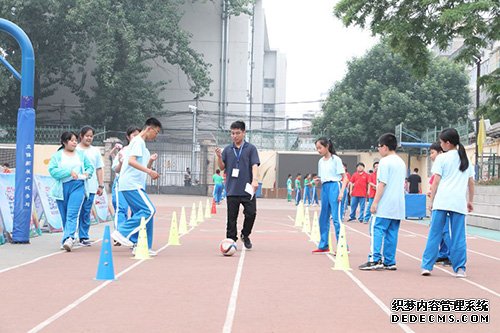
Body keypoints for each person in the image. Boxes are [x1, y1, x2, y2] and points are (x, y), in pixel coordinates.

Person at [421, 129, 474, 278]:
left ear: (448, 143)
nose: (440, 145)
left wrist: (431, 201)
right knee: (459, 236)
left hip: (442, 201)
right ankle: (460, 269)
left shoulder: (442, 159)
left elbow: (436, 181)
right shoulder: (466, 159)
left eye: (441, 142)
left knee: (435, 234)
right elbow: (471, 183)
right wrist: (470, 201)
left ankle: (426, 266)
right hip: (458, 202)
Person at [111, 118, 162, 255]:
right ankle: (122, 232)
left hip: (136, 184)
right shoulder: (138, 141)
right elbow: (131, 161)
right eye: (156, 132)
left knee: (147, 215)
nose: (155, 136)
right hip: (130, 184)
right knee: (149, 210)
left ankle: (143, 246)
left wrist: (150, 164)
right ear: (149, 129)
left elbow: (143, 167)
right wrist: (149, 171)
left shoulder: (142, 146)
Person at [359, 133, 406, 271]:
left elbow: (382, 183)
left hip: (385, 203)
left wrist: (375, 202)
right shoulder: (400, 162)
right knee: (392, 232)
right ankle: (390, 261)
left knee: (377, 229)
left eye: (379, 147)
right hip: (398, 204)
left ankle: (375, 259)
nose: (378, 149)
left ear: (385, 147)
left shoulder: (385, 162)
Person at [215, 120, 260, 249]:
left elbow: (254, 165)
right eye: (232, 133)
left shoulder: (251, 149)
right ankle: (230, 239)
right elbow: (222, 166)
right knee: (231, 218)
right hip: (232, 189)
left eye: (237, 133)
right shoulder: (228, 150)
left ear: (244, 133)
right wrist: (219, 156)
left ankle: (245, 234)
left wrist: (255, 180)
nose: (235, 136)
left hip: (247, 189)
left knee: (251, 213)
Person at [48, 132, 94, 251]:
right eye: (71, 140)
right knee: (64, 215)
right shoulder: (57, 156)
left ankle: (69, 238)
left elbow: (90, 167)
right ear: (64, 142)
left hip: (78, 186)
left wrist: (87, 173)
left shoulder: (81, 154)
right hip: (62, 188)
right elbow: (53, 171)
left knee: (72, 214)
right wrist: (69, 172)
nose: (74, 142)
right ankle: (66, 238)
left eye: (75, 140)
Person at [312, 138, 348, 253]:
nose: (318, 150)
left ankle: (342, 246)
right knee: (323, 217)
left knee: (336, 218)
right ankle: (324, 245)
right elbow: (322, 177)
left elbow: (345, 178)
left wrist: (341, 192)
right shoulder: (321, 161)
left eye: (320, 147)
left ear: (327, 146)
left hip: (335, 187)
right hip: (325, 188)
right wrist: (318, 181)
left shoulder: (335, 159)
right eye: (317, 148)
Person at [76, 126, 105, 246]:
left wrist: (101, 185)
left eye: (91, 136)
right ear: (81, 136)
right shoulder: (75, 149)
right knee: (74, 211)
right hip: (76, 185)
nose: (89, 138)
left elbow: (99, 169)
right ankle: (70, 235)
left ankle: (83, 236)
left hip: (91, 186)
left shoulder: (95, 151)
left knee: (86, 211)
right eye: (87, 135)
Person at [111, 126, 141, 237]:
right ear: (128, 137)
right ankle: (120, 233)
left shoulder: (142, 151)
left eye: (138, 135)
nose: (136, 137)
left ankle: (133, 237)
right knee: (121, 208)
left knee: (137, 211)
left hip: (136, 184)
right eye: (134, 135)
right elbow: (116, 169)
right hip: (122, 183)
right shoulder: (123, 151)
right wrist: (120, 162)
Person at [427, 142, 451, 266]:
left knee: (445, 231)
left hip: (443, 203)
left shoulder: (443, 166)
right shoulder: (437, 167)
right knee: (440, 231)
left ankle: (452, 255)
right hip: (437, 203)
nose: (430, 156)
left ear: (440, 152)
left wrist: (432, 198)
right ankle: (443, 254)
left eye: (432, 153)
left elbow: (437, 184)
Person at [364, 161, 379, 226]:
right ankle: (366, 218)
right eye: (375, 166)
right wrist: (375, 186)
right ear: (374, 168)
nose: (377, 168)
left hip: (380, 194)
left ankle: (377, 219)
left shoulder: (382, 174)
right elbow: (369, 182)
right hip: (373, 194)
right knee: (370, 206)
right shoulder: (372, 175)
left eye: (378, 166)